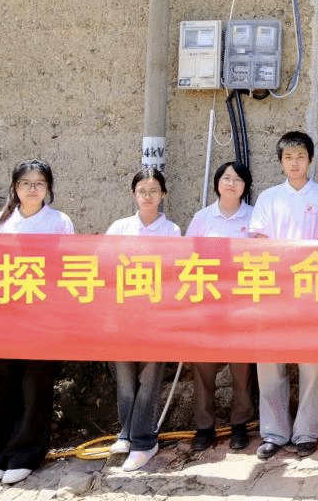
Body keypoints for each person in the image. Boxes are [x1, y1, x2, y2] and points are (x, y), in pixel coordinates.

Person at [248, 131, 318, 460]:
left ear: (310, 159)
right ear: (280, 162)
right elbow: (259, 241)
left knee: (311, 364)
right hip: (273, 288)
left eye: (300, 156)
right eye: (288, 157)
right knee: (270, 362)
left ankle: (306, 431)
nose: (295, 163)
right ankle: (274, 432)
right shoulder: (269, 198)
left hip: (310, 286)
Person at [0, 160, 74, 485]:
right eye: (25, 183)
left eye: (39, 183)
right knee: (3, 385)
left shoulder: (59, 222)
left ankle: (25, 453)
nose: (32, 189)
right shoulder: (1, 222)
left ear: (48, 188)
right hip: (5, 318)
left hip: (43, 317)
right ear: (15, 187)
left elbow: (69, 266)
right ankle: (1, 452)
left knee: (35, 385)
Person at [106, 168, 181, 472]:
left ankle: (144, 442)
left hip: (155, 318)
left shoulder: (172, 231)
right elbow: (104, 267)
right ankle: (126, 433)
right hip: (122, 316)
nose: (148, 196)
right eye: (142, 191)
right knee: (125, 380)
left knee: (149, 380)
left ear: (163, 194)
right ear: (133, 194)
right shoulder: (119, 228)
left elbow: (174, 274)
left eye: (153, 191)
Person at [185, 161, 255, 452]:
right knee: (203, 366)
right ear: (216, 183)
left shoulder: (254, 216)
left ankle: (240, 424)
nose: (231, 183)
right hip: (207, 303)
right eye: (226, 178)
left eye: (238, 179)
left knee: (242, 367)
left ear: (245, 186)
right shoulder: (202, 218)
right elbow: (186, 257)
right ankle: (204, 426)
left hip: (242, 302)